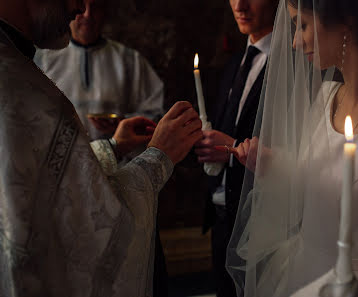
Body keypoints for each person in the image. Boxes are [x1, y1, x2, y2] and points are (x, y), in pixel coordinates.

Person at [226, 0, 358, 297]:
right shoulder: (327, 97)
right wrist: (277, 165)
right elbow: (325, 189)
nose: (293, 42)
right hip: (297, 274)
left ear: (347, 22)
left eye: (301, 26)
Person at [0, 1, 203, 296]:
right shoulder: (17, 84)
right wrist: (159, 158)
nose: (80, 8)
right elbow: (92, 231)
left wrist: (113, 147)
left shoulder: (126, 60)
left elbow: (46, 187)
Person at [194, 0, 278, 296]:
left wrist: (229, 147)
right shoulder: (236, 62)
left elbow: (295, 147)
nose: (240, 5)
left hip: (264, 224)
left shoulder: (293, 64)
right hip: (222, 218)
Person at [34, 0, 164, 140]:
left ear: (105, 12)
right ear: (68, 10)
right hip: (62, 160)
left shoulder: (130, 61)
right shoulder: (42, 61)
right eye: (81, 6)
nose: (88, 15)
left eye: (96, 7)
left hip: (118, 159)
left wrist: (123, 123)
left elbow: (155, 112)